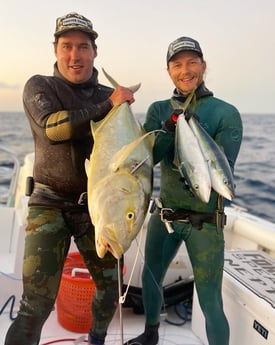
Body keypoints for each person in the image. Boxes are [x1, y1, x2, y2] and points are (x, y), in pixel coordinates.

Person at [5, 12, 135, 345]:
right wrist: (110, 103)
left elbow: (127, 152)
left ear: (94, 52)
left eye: (82, 47)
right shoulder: (40, 86)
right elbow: (54, 128)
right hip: (48, 204)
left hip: (95, 209)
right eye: (66, 46)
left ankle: (96, 338)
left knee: (109, 288)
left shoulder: (111, 97)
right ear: (56, 50)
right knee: (36, 304)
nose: (74, 55)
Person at [124, 36, 243, 345]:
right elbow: (154, 157)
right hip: (166, 216)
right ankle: (150, 334)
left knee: (209, 299)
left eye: (192, 63)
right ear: (168, 71)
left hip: (205, 221)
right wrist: (168, 127)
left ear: (203, 66)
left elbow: (222, 168)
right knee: (151, 276)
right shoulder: (158, 109)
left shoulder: (225, 113)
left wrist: (194, 128)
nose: (185, 70)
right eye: (177, 64)